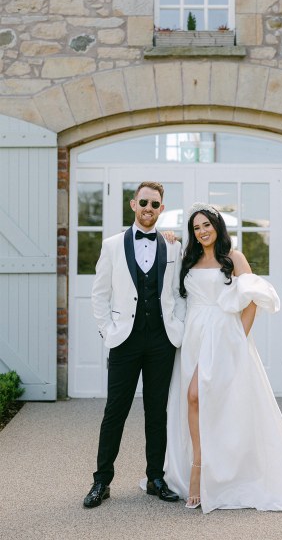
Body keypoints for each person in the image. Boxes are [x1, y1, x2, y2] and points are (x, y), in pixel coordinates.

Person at [164, 202, 282, 513]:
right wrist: (168, 239)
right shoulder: (187, 258)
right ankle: (198, 464)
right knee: (195, 400)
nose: (202, 231)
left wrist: (238, 337)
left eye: (206, 225)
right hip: (194, 338)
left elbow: (253, 299)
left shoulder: (233, 258)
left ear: (217, 226)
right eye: (196, 228)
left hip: (225, 337)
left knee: (205, 398)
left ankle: (208, 470)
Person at [84, 182, 186, 508]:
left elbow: (180, 293)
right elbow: (99, 294)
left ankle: (156, 477)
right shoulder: (112, 245)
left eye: (155, 204)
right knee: (115, 411)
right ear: (133, 204)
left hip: (161, 341)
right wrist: (108, 331)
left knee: (157, 412)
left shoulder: (173, 247)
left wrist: (178, 329)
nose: (148, 208)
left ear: (161, 209)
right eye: (143, 202)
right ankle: (102, 482)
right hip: (124, 341)